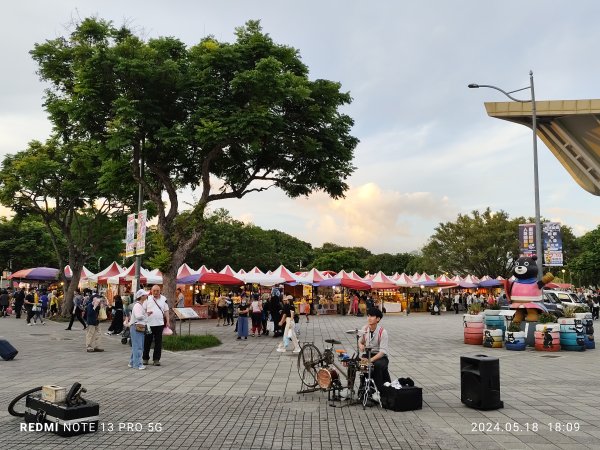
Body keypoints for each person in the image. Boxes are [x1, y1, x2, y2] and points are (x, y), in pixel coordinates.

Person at [358, 307, 391, 394]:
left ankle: (379, 391)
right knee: (359, 366)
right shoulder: (364, 328)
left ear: (378, 319)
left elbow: (382, 352)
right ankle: (362, 389)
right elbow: (360, 341)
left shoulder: (383, 332)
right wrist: (361, 345)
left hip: (381, 357)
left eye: (372, 316)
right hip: (368, 354)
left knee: (376, 366)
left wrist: (370, 360)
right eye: (368, 315)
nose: (369, 318)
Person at [143, 284, 170, 366]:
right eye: (154, 290)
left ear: (160, 291)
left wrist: (168, 321)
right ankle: (145, 358)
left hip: (159, 324)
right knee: (147, 342)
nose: (155, 292)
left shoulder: (164, 299)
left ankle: (156, 359)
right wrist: (146, 314)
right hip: (149, 324)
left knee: (158, 343)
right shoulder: (147, 298)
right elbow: (143, 310)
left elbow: (166, 311)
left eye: (157, 290)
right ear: (151, 291)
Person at [128, 289, 153, 370]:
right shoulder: (138, 305)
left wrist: (145, 314)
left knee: (136, 346)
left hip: (136, 327)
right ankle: (137, 364)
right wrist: (146, 315)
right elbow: (139, 316)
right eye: (145, 295)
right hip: (137, 327)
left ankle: (132, 362)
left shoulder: (138, 305)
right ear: (141, 296)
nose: (146, 296)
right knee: (139, 346)